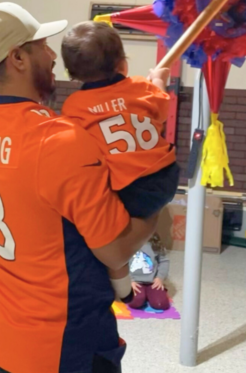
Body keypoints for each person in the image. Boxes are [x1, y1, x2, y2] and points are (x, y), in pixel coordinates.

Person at [0, 2, 158, 373]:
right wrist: (154, 199)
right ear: (17, 57)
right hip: (63, 346)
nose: (53, 55)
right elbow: (115, 250)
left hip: (2, 341)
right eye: (42, 45)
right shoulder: (56, 140)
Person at [61, 21, 179, 303]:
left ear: (72, 74)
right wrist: (158, 79)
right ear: (123, 65)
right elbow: (161, 109)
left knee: (109, 231)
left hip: (131, 186)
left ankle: (123, 286)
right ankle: (127, 278)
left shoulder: (74, 107)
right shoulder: (142, 87)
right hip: (166, 175)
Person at [129, 233, 170, 311]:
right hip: (134, 281)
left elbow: (164, 261)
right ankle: (144, 294)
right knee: (136, 302)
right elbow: (120, 265)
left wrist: (159, 277)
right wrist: (129, 281)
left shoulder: (155, 244)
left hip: (152, 281)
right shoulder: (126, 244)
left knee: (160, 304)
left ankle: (149, 293)